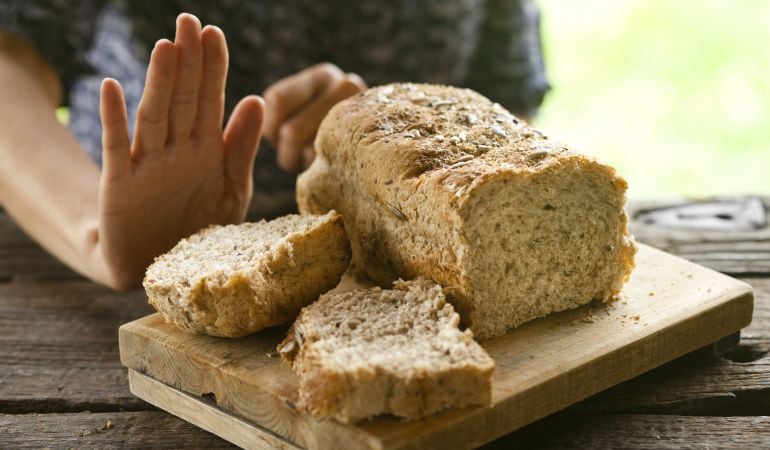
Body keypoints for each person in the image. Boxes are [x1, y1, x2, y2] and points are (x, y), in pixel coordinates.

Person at [0, 1, 549, 290]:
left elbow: (504, 113)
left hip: (388, 274)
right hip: (96, 266)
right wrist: (92, 230)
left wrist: (371, 144)